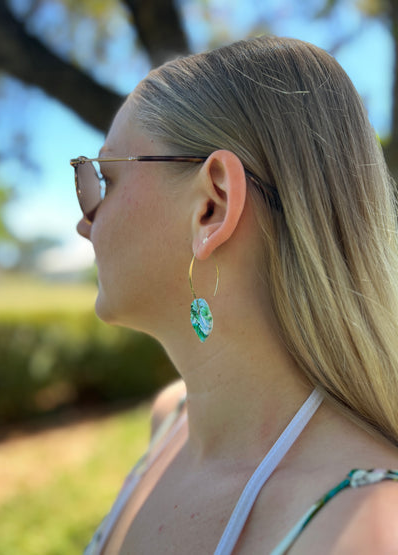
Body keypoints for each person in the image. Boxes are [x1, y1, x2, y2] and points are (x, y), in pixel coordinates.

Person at [71, 35, 398, 554]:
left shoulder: (360, 528)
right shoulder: (172, 418)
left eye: (104, 179)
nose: (84, 224)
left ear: (212, 205)